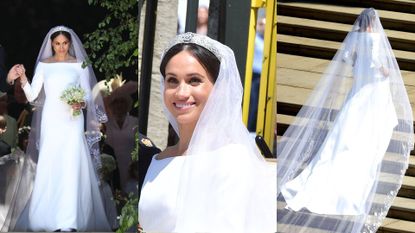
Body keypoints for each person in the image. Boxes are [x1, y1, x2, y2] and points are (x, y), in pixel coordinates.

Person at [277, 8, 413, 232]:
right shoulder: (375, 39)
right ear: (373, 22)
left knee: (350, 123)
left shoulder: (356, 38)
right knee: (371, 124)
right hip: (374, 87)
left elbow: (349, 59)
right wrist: (386, 71)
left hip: (359, 87)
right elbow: (380, 65)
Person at [138, 32, 275, 232]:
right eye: (172, 80)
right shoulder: (158, 159)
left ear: (219, 87)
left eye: (194, 80)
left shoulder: (232, 159)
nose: (181, 92)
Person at [2, 25, 111, 232]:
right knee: (51, 164)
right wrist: (23, 79)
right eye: (57, 44)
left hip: (72, 119)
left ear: (70, 44)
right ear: (52, 44)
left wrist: (82, 103)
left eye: (65, 43)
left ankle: (69, 222)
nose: (61, 47)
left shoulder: (79, 64)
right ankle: (45, 218)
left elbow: (88, 94)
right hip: (51, 119)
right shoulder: (44, 65)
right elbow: (33, 96)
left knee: (71, 164)